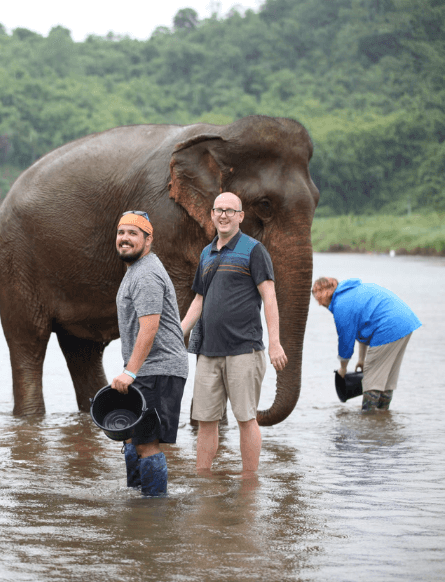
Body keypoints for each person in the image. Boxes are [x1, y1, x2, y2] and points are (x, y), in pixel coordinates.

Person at [180, 192, 287, 473]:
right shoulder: (207, 253)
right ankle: (202, 478)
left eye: (230, 210)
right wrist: (178, 332)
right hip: (208, 352)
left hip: (244, 350)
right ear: (212, 215)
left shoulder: (254, 250)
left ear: (240, 216)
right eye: (219, 210)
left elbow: (270, 297)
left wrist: (274, 343)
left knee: (245, 418)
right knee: (205, 420)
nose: (224, 215)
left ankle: (249, 485)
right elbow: (199, 301)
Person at [111, 210, 189, 496]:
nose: (125, 239)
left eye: (133, 233)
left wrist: (130, 372)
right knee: (132, 439)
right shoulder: (136, 271)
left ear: (148, 239)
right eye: (121, 233)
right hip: (148, 369)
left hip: (159, 369)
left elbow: (150, 327)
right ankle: (138, 506)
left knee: (146, 443)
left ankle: (154, 509)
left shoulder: (145, 274)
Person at [311, 277, 421, 412]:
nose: (322, 305)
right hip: (405, 323)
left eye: (321, 302)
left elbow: (345, 342)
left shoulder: (341, 304)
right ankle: (382, 417)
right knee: (387, 378)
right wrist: (361, 359)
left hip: (388, 326)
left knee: (372, 378)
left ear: (324, 295)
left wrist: (343, 368)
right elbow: (362, 329)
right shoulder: (350, 293)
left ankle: (369, 418)